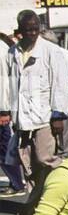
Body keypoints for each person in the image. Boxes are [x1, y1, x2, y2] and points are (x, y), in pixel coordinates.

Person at [7, 10, 68, 192]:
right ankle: (36, 202)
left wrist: (58, 115)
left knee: (45, 158)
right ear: (20, 30)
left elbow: (60, 85)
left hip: (45, 116)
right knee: (28, 162)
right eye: (27, 29)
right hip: (22, 118)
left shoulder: (51, 51)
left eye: (35, 29)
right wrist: (8, 112)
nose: (32, 33)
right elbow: (10, 84)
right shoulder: (12, 52)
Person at [0, 30, 25, 196]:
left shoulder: (1, 47)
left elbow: (3, 80)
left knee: (4, 147)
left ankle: (16, 183)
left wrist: (3, 110)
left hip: (2, 107)